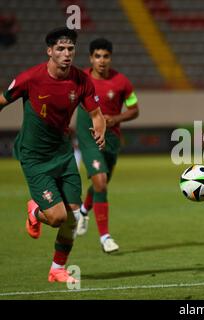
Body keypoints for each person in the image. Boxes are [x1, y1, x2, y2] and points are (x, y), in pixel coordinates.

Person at [0, 27, 106, 282]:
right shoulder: (30, 78)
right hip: (35, 157)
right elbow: (2, 101)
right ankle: (35, 211)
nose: (66, 53)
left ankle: (57, 269)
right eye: (60, 48)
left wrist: (100, 129)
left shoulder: (81, 80)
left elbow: (95, 114)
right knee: (57, 217)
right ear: (49, 51)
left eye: (70, 48)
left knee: (73, 216)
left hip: (63, 155)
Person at [75, 38, 139, 253]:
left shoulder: (122, 82)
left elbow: (134, 109)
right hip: (88, 137)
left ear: (110, 58)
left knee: (100, 183)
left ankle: (83, 212)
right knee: (101, 182)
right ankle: (105, 237)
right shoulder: (80, 79)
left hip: (111, 139)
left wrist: (116, 118)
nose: (102, 61)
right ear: (91, 58)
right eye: (97, 56)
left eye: (105, 56)